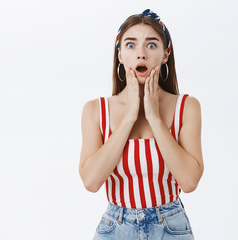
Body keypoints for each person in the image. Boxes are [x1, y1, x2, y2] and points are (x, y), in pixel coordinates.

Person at [79, 9, 204, 239]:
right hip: (115, 228)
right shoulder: (95, 110)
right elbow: (91, 181)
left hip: (171, 228)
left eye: (151, 45)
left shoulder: (187, 107)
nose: (141, 54)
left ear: (165, 54)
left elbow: (189, 181)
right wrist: (129, 117)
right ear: (119, 55)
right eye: (130, 45)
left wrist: (155, 118)